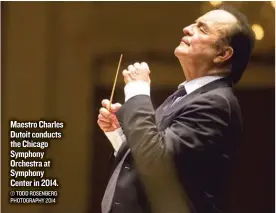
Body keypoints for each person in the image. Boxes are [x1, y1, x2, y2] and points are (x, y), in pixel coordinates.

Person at [97, 5, 255, 213]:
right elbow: (152, 157)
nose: (187, 28)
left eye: (202, 28)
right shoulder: (187, 95)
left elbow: (157, 164)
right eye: (194, 23)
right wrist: (119, 134)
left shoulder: (215, 103)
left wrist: (138, 90)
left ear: (223, 54)